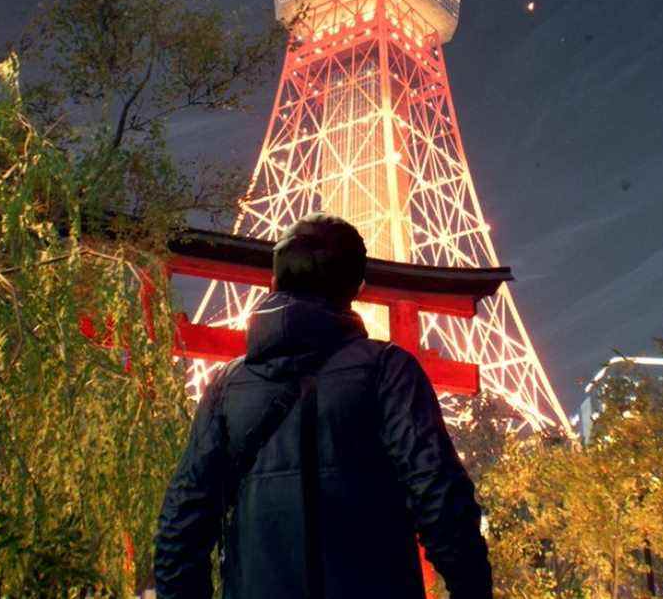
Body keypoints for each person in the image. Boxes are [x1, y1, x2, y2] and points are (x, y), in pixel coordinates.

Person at [153, 214, 492, 599]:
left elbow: (182, 524)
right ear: (356, 289)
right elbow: (441, 498)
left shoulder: (226, 387)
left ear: (274, 282)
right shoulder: (387, 370)